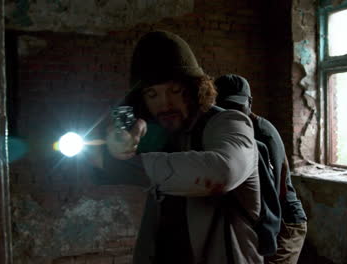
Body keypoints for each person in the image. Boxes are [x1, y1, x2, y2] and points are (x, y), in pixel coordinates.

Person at [88, 31, 263, 264]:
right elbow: (100, 157)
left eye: (175, 90)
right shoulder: (162, 132)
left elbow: (224, 171)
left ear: (195, 89)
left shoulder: (228, 122)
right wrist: (117, 140)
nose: (165, 104)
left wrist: (125, 164)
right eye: (153, 94)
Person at [215, 74, 307, 264]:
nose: (233, 112)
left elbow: (275, 188)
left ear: (250, 102)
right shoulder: (227, 130)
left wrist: (269, 229)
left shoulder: (263, 133)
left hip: (285, 220)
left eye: (238, 106)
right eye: (226, 107)